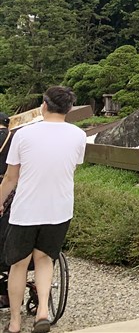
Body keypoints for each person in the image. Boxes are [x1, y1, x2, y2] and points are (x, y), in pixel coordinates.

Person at [0, 86, 86, 333]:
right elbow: (70, 167)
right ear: (68, 109)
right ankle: (42, 313)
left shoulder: (24, 135)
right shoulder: (78, 135)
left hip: (27, 209)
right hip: (60, 209)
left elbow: (10, 178)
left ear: (43, 105)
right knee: (44, 260)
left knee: (18, 264)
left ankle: (15, 323)